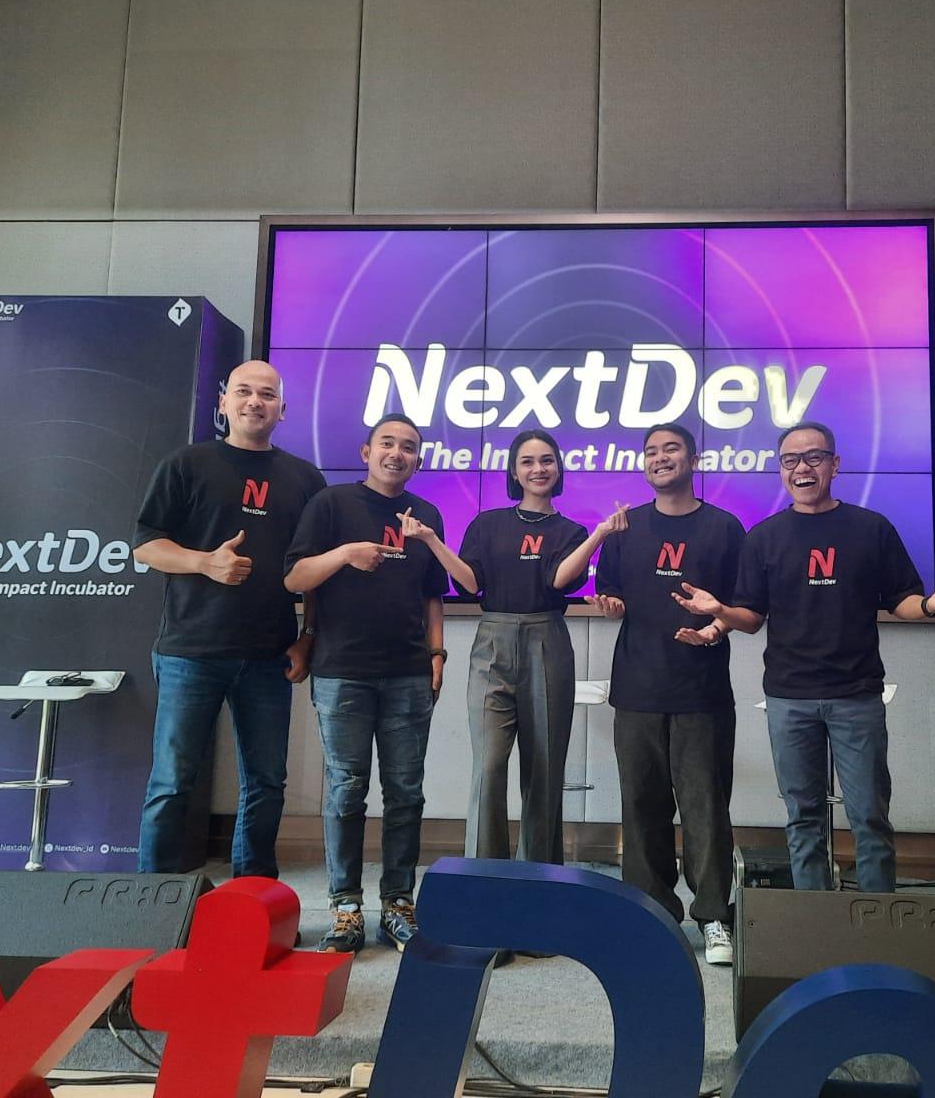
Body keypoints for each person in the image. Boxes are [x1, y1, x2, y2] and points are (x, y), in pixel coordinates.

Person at [676, 421, 935, 894]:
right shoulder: (764, 537)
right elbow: (751, 618)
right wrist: (720, 612)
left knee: (869, 816)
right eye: (790, 460)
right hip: (788, 698)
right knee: (803, 817)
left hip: (856, 695)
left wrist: (929, 606)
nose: (802, 468)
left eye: (813, 457)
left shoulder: (871, 529)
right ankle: (815, 920)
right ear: (781, 470)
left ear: (834, 465)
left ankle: (877, 918)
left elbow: (900, 600)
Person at [132, 359, 325, 880]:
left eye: (267, 394)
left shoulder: (306, 479)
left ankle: (253, 895)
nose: (254, 402)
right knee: (173, 782)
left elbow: (315, 569)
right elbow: (146, 545)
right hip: (189, 652)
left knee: (266, 782)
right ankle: (153, 900)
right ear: (224, 401)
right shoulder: (185, 464)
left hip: (269, 654)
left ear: (282, 409)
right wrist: (204, 562)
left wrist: (308, 636)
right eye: (243, 391)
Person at [578, 423, 744, 965]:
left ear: (694, 460)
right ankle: (651, 912)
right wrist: (611, 607)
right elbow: (613, 595)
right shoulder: (625, 529)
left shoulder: (724, 528)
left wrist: (713, 629)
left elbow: (741, 607)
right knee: (641, 806)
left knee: (706, 807)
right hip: (638, 688)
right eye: (650, 451)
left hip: (702, 690)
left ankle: (714, 915)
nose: (659, 457)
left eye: (671, 449)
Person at [398, 429, 604, 865]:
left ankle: (539, 874)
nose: (538, 469)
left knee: (544, 768)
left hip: (547, 639)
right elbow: (471, 584)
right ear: (513, 471)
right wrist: (432, 540)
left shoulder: (572, 531)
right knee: (489, 767)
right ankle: (484, 875)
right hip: (492, 640)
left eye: (546, 460)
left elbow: (558, 581)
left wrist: (598, 535)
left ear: (558, 468)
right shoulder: (487, 524)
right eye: (527, 461)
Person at [284, 413, 447, 954]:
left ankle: (398, 904)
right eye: (387, 444)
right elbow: (295, 577)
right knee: (346, 790)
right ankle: (345, 907)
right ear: (366, 452)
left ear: (418, 460)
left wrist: (437, 653)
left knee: (406, 793)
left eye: (409, 447)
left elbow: (432, 595)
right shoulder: (331, 504)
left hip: (408, 672)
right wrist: (343, 554)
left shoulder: (425, 515)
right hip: (342, 671)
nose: (397, 453)